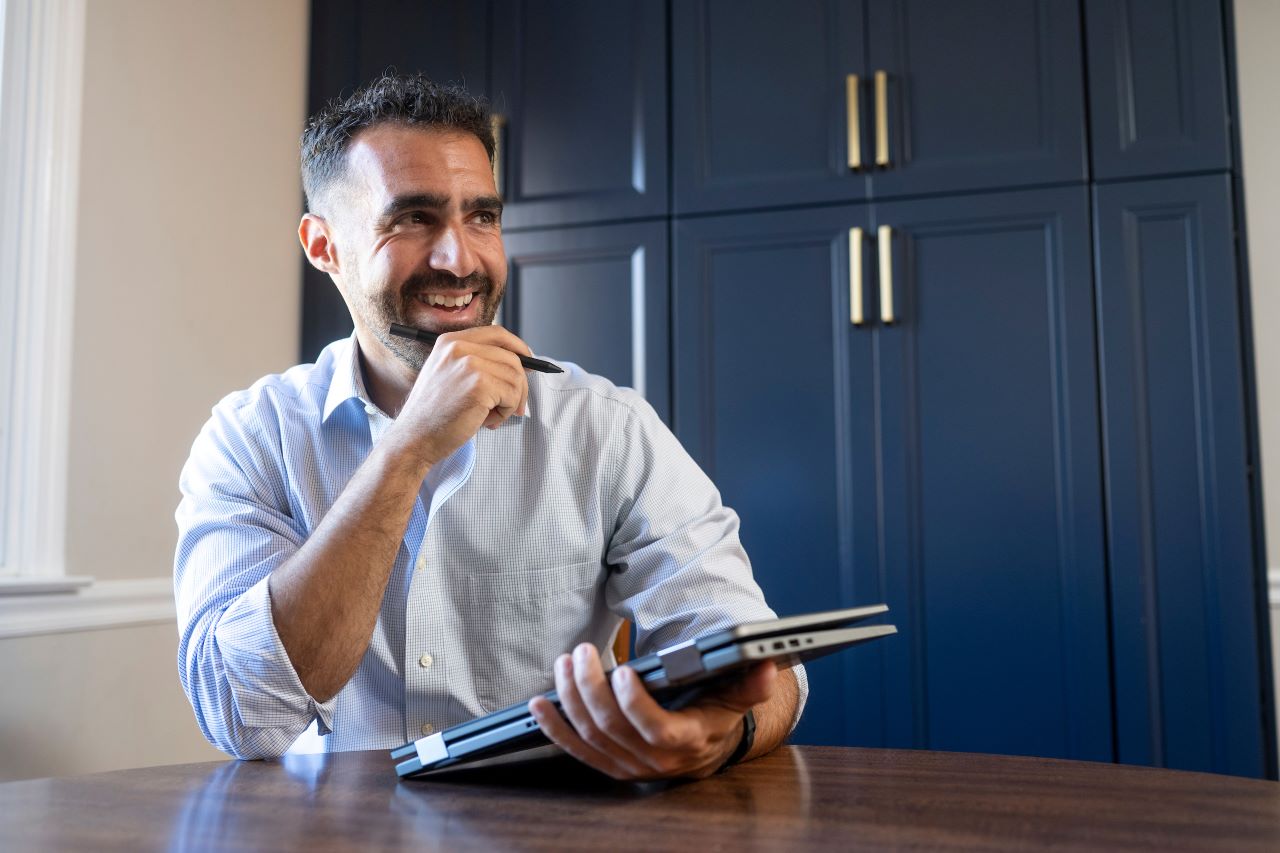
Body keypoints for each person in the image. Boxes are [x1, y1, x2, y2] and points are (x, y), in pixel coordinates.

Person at [174, 73, 805, 781]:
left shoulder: (607, 428)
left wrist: (721, 733)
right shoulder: (250, 438)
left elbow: (759, 662)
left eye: (482, 216)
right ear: (324, 246)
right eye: (413, 218)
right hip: (333, 830)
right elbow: (240, 712)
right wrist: (408, 449)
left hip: (552, 827)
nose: (461, 257)